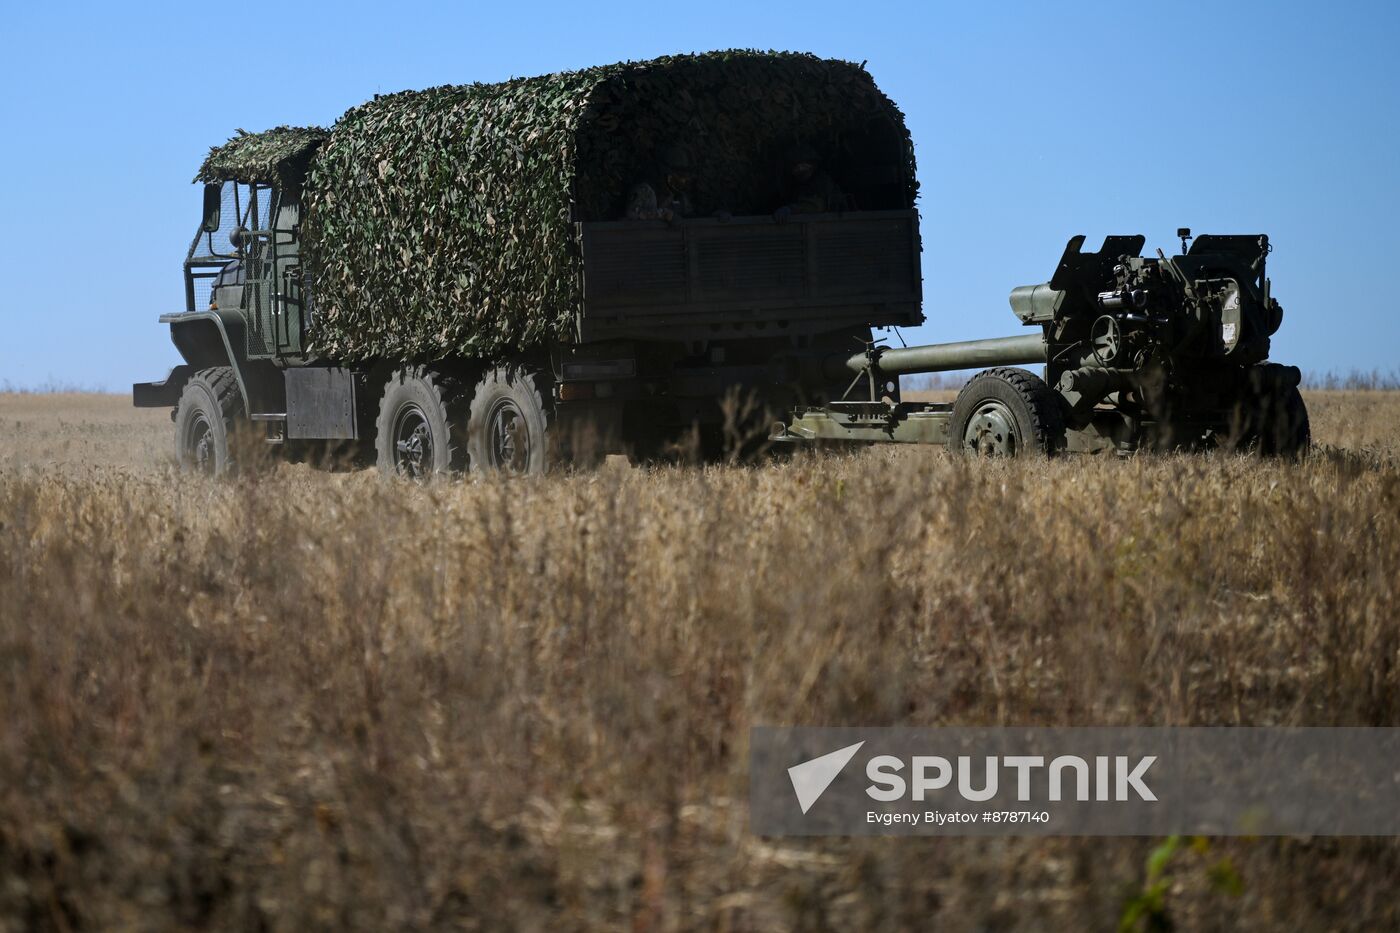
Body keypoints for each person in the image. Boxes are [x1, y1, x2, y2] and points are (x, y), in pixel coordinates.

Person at [773, 144, 845, 222]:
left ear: (812, 164)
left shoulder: (822, 181)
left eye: (803, 164)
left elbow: (817, 206)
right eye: (796, 166)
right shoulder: (796, 185)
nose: (800, 168)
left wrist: (791, 209)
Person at [625, 145, 695, 222]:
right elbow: (631, 214)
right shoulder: (646, 190)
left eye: (686, 176)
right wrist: (662, 214)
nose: (684, 180)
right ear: (668, 173)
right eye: (681, 175)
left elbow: (689, 217)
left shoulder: (679, 195)